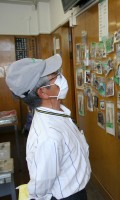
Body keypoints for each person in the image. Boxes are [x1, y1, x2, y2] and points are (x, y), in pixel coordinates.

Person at [5, 54, 91, 200]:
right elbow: (40, 187)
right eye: (55, 76)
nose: (61, 77)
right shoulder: (48, 136)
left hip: (77, 191)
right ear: (43, 92)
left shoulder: (58, 114)